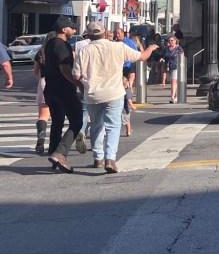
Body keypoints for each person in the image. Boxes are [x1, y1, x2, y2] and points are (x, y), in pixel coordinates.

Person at [73, 21, 159, 173]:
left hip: (93, 94)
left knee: (96, 125)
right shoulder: (118, 47)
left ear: (89, 36)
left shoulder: (84, 51)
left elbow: (76, 75)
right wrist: (151, 48)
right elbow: (141, 56)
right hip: (114, 92)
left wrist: (82, 85)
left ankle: (98, 158)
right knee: (113, 125)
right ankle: (110, 159)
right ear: (105, 32)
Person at [42, 18, 83, 173]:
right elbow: (65, 69)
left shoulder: (49, 44)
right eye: (72, 28)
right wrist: (77, 83)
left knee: (57, 122)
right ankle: (60, 153)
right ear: (64, 29)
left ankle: (53, 153)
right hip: (63, 90)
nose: (74, 31)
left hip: (50, 89)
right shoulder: (62, 44)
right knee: (77, 121)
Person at [31, 32, 56, 154]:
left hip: (43, 82)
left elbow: (35, 72)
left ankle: (41, 136)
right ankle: (55, 144)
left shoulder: (40, 52)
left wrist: (41, 80)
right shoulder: (59, 51)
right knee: (58, 115)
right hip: (57, 83)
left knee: (43, 115)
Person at [165, 36, 184, 104]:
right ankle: (176, 96)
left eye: (172, 40)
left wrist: (181, 66)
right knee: (173, 82)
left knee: (173, 81)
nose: (170, 42)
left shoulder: (179, 48)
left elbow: (182, 57)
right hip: (169, 67)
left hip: (176, 66)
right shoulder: (167, 48)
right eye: (169, 41)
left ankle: (172, 96)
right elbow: (165, 56)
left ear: (175, 41)